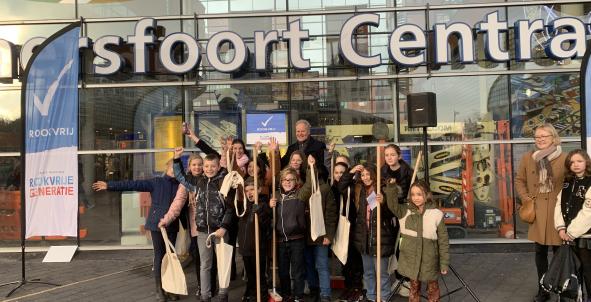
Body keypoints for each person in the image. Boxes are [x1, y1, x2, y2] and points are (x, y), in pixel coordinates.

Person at [92, 160, 180, 302]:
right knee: (159, 255)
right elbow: (133, 184)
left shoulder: (181, 185)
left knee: (170, 257)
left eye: (177, 169)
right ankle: (159, 289)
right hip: (157, 225)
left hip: (172, 225)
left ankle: (169, 287)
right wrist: (109, 185)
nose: (175, 171)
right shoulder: (156, 182)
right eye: (172, 168)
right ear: (167, 168)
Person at [162, 147, 233, 302]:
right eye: (206, 166)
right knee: (205, 265)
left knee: (222, 263)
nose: (209, 169)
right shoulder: (197, 182)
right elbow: (180, 176)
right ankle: (205, 295)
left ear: (218, 166)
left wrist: (224, 227)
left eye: (212, 166)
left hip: (220, 230)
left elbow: (230, 208)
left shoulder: (223, 182)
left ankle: (223, 293)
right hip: (202, 231)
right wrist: (176, 159)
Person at [515, 123, 566, 302]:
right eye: (537, 137)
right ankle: (543, 289)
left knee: (560, 253)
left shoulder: (565, 158)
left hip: (557, 212)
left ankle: (561, 289)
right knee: (540, 253)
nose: (541, 139)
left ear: (553, 137)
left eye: (544, 136)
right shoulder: (528, 157)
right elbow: (519, 180)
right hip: (537, 211)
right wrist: (526, 198)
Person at [338, 163, 397, 302]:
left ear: (374, 175)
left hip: (381, 238)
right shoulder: (358, 189)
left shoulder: (383, 189)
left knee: (382, 273)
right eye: (363, 174)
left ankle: (383, 297)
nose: (365, 177)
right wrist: (351, 171)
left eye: (368, 174)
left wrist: (383, 203)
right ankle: (371, 296)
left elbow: (392, 213)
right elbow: (341, 186)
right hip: (364, 238)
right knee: (368, 272)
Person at [385, 180, 449, 302]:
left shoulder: (436, 214)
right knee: (413, 289)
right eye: (413, 194)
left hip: (429, 259)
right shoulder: (404, 210)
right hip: (411, 258)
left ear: (427, 195)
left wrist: (444, 263)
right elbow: (392, 205)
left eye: (419, 194)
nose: (416, 198)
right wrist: (392, 187)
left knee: (433, 289)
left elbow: (443, 241)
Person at [269, 156, 314, 302]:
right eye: (285, 180)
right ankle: (287, 294)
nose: (287, 182)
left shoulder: (300, 194)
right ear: (280, 181)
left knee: (297, 271)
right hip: (281, 240)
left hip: (297, 239)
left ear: (296, 181)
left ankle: (298, 295)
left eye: (291, 179)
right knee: (282, 271)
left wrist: (310, 167)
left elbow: (310, 184)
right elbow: (269, 217)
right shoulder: (276, 196)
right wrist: (271, 206)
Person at [554, 149, 591, 300]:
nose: (575, 165)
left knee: (589, 271)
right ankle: (577, 296)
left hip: (585, 237)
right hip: (568, 235)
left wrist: (571, 232)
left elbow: (588, 212)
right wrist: (561, 227)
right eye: (572, 162)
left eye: (579, 161)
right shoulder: (568, 182)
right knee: (573, 271)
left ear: (586, 162)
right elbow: (559, 204)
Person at [331, 161, 364, 301]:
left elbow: (343, 186)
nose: (339, 175)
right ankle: (348, 287)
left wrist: (350, 173)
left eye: (342, 172)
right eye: (336, 172)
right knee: (343, 259)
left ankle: (356, 288)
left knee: (353, 259)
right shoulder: (333, 187)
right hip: (340, 227)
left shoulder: (353, 186)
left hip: (353, 227)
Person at [304, 163, 337, 302]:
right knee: (309, 264)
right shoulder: (305, 188)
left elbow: (331, 214)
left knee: (321, 265)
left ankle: (325, 293)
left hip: (321, 234)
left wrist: (329, 235)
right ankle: (314, 289)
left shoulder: (325, 189)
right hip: (306, 234)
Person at [238, 177, 271, 302]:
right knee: (250, 275)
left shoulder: (263, 205)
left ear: (259, 189)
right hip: (246, 247)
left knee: (259, 275)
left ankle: (261, 296)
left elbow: (266, 226)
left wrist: (260, 213)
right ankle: (251, 294)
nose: (249, 193)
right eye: (247, 191)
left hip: (258, 247)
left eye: (252, 189)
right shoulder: (244, 206)